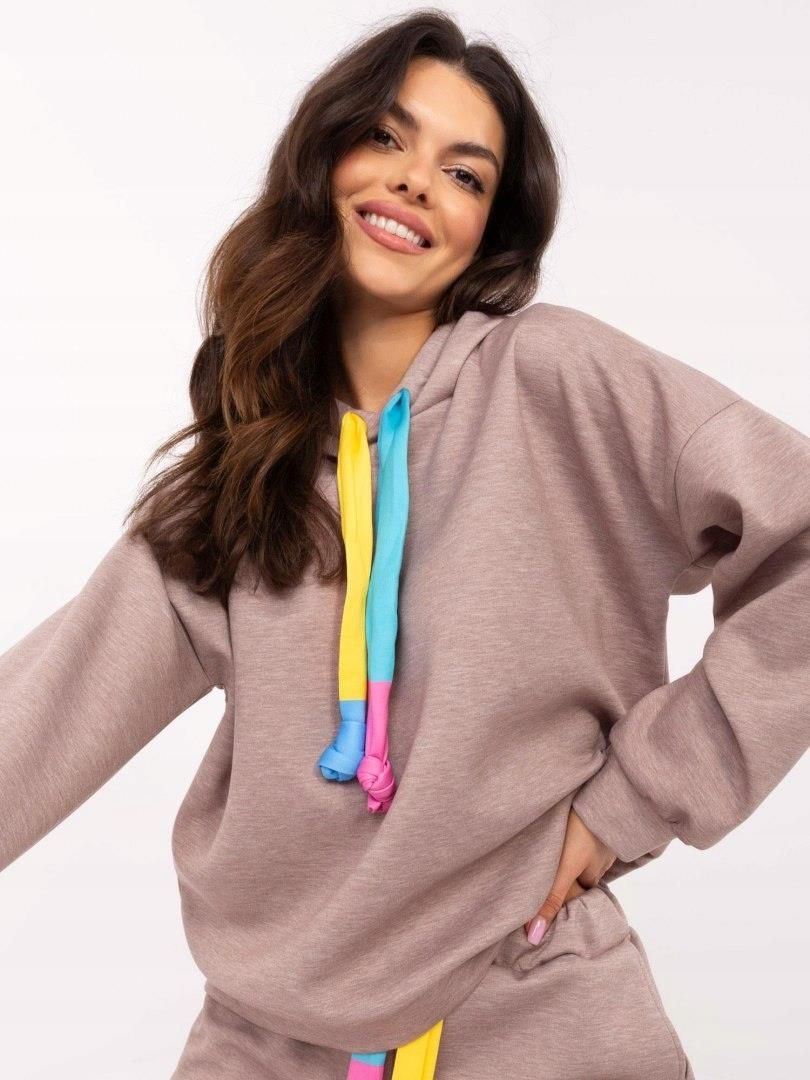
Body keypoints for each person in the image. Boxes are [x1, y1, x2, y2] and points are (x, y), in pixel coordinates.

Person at [2, 10, 808, 1079]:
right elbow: (41, 714)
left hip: (539, 1014)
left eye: (464, 174)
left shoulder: (558, 381)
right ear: (324, 160)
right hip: (265, 1039)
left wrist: (640, 797)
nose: (417, 181)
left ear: (490, 231)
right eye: (386, 136)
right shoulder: (241, 482)